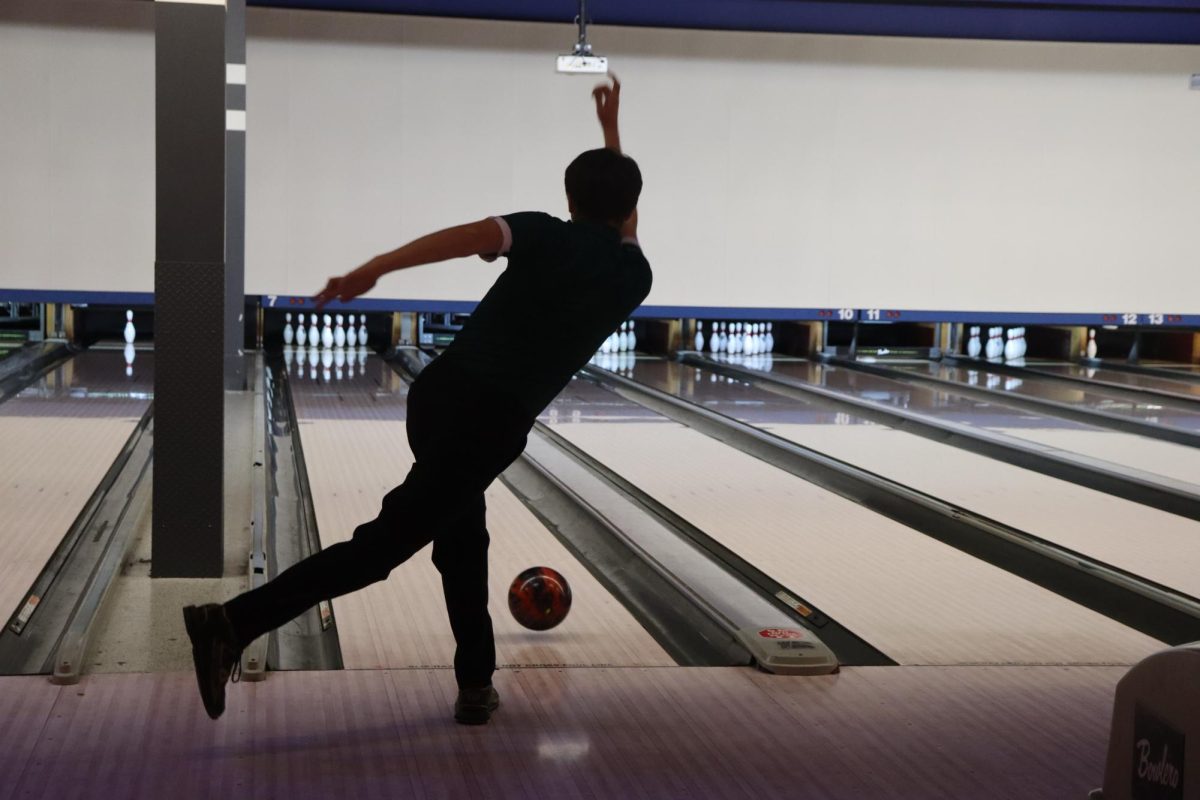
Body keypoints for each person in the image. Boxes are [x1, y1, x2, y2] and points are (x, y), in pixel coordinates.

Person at [183, 76, 650, 725]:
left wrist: (374, 266)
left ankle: (476, 681)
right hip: (489, 424)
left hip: (439, 395)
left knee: (462, 538)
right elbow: (624, 214)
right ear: (631, 204)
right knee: (383, 549)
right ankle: (229, 622)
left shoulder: (544, 232)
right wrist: (612, 133)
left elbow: (463, 236)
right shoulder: (635, 275)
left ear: (569, 197)